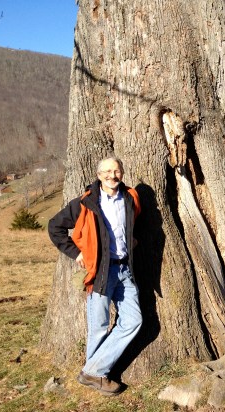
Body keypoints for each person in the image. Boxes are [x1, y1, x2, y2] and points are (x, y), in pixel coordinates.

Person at [48, 156, 142, 396]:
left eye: (117, 170)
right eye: (107, 172)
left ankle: (92, 371)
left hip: (125, 269)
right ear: (99, 176)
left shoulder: (131, 197)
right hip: (100, 272)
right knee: (99, 326)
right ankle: (97, 376)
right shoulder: (86, 202)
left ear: (122, 173)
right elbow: (55, 226)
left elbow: (132, 226)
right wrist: (76, 252)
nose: (113, 176)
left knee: (133, 321)